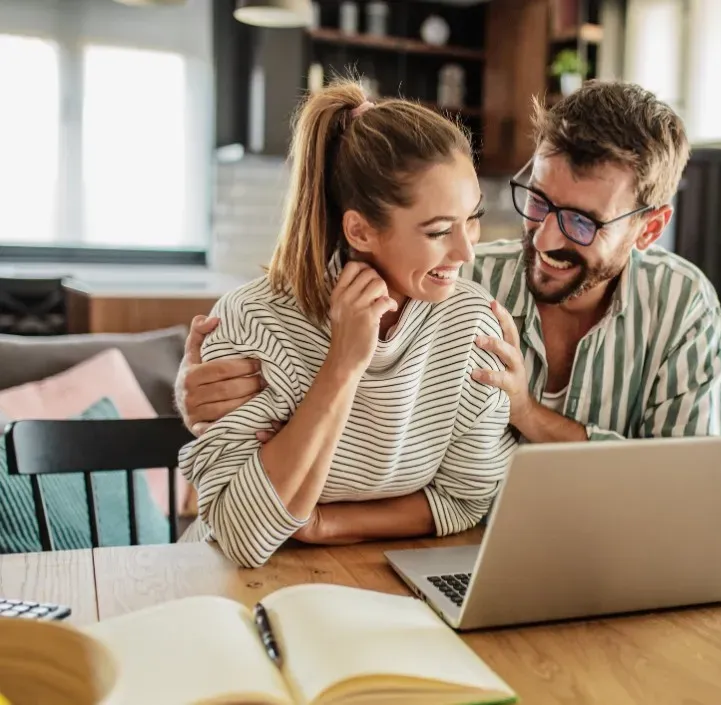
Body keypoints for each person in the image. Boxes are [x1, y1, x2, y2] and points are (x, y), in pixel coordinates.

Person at [177, 80, 721, 461]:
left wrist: (528, 414)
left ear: (650, 228)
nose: (546, 235)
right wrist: (194, 393)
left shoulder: (683, 306)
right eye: (538, 200)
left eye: (583, 223)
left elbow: (687, 478)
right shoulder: (458, 279)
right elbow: (316, 363)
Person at [175, 80, 516, 569]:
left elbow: (465, 500)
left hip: (374, 579)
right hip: (231, 589)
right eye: (439, 230)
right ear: (360, 229)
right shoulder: (254, 321)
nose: (466, 251)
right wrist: (343, 364)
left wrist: (321, 524)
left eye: (472, 220)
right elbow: (239, 534)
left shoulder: (471, 325)